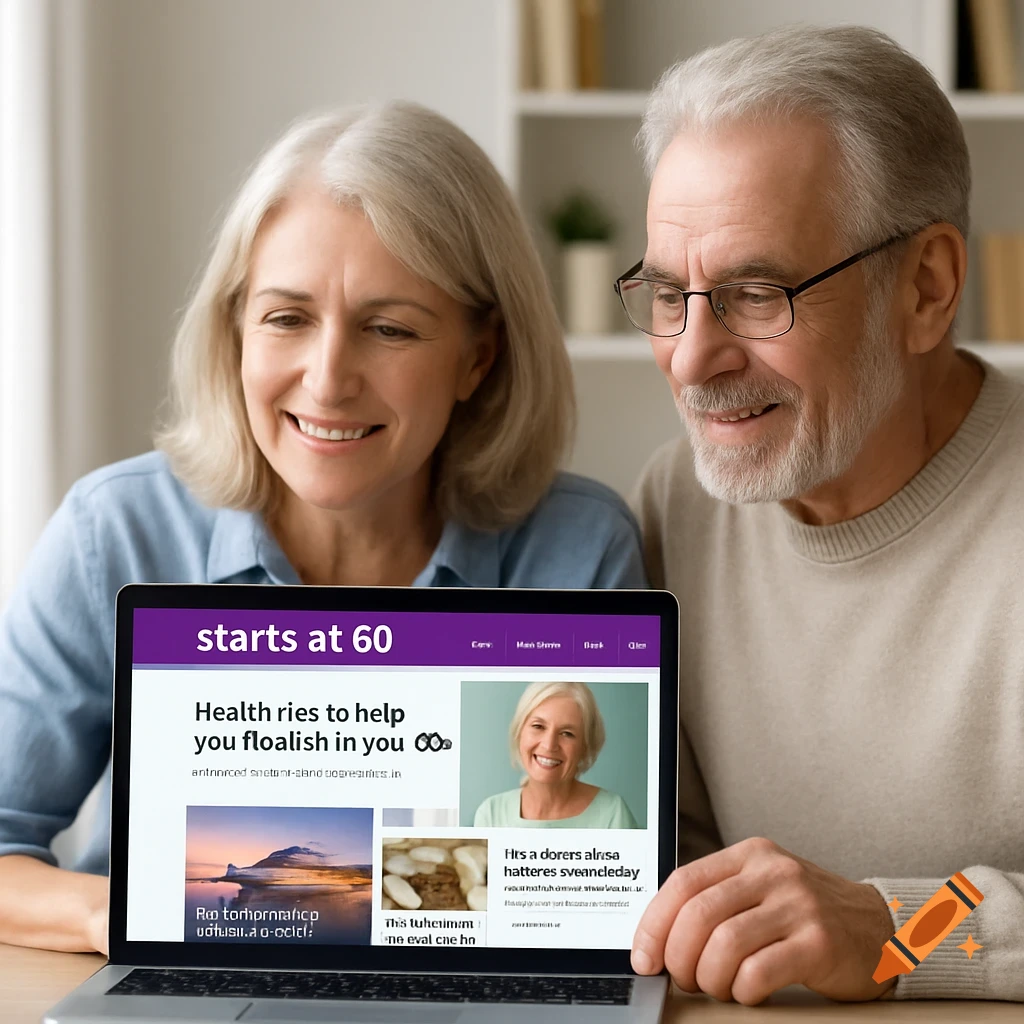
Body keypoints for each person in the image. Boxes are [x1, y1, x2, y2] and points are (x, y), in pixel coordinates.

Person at [0, 102, 647, 955]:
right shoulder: (112, 533)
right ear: (235, 329)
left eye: (390, 328)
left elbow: (598, 899)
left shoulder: (581, 549)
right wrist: (128, 917)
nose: (328, 379)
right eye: (286, 318)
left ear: (478, 356)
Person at [624, 25, 1023, 1005]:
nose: (691, 358)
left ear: (926, 288)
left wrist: (898, 932)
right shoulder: (673, 510)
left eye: (757, 294)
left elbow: (891, 938)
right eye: (670, 294)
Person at [473, 681, 637, 828]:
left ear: (585, 747)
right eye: (538, 726)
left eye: (567, 733)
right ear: (519, 732)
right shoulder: (490, 814)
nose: (549, 745)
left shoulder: (613, 813)